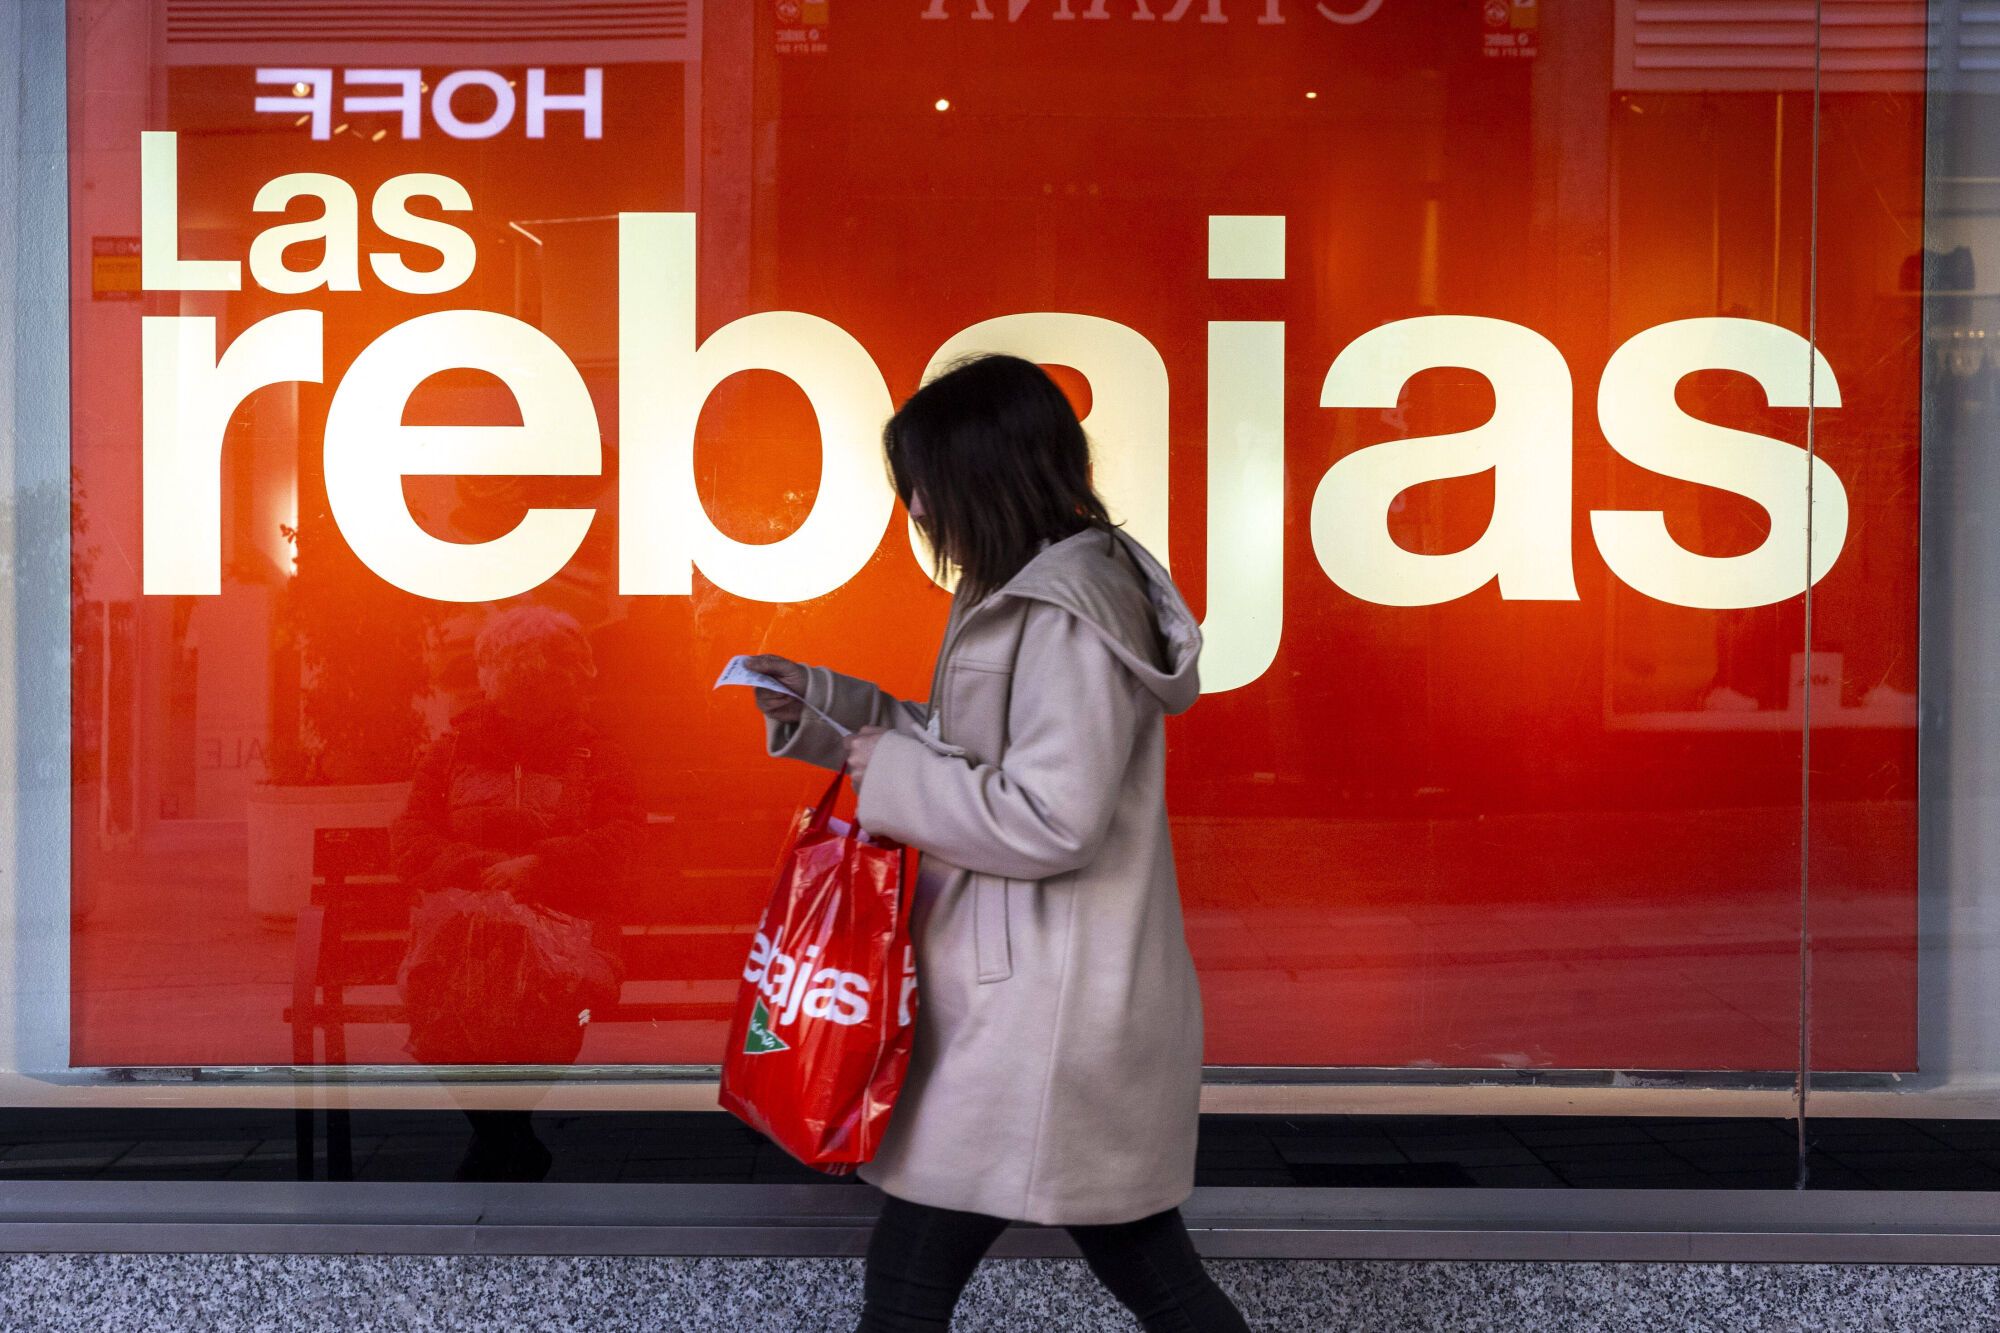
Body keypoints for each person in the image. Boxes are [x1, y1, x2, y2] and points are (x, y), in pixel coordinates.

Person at [743, 355, 1249, 1332]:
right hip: (1037, 1001)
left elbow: (1049, 815)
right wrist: (832, 714)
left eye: (924, 481)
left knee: (911, 1275)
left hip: (1040, 1017)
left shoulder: (1061, 611)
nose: (917, 507)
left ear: (986, 470)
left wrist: (884, 766)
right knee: (1141, 1267)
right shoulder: (1033, 588)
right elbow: (968, 747)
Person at [391, 604, 642, 1179]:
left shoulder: (595, 753)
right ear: (494, 680)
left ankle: (498, 1140)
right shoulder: (452, 750)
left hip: (567, 923)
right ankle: (509, 1136)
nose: (532, 702)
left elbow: (627, 837)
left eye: (547, 686)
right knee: (435, 985)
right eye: (519, 686)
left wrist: (541, 866)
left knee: (552, 990)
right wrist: (476, 866)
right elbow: (409, 838)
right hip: (466, 928)